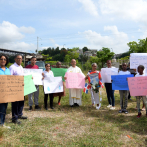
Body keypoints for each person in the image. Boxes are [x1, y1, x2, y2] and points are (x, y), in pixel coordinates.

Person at [9, 54, 27, 124]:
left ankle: (19, 114)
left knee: (21, 101)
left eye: (21, 58)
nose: (20, 60)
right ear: (15, 59)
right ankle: (14, 117)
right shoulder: (12, 67)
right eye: (18, 58)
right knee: (15, 103)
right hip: (15, 88)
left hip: (22, 88)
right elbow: (10, 79)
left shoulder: (21, 67)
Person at [0, 54, 11, 128]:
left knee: (4, 108)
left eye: (4, 59)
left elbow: (12, 80)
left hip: (6, 92)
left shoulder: (8, 70)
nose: (3, 60)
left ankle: (2, 123)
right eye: (1, 59)